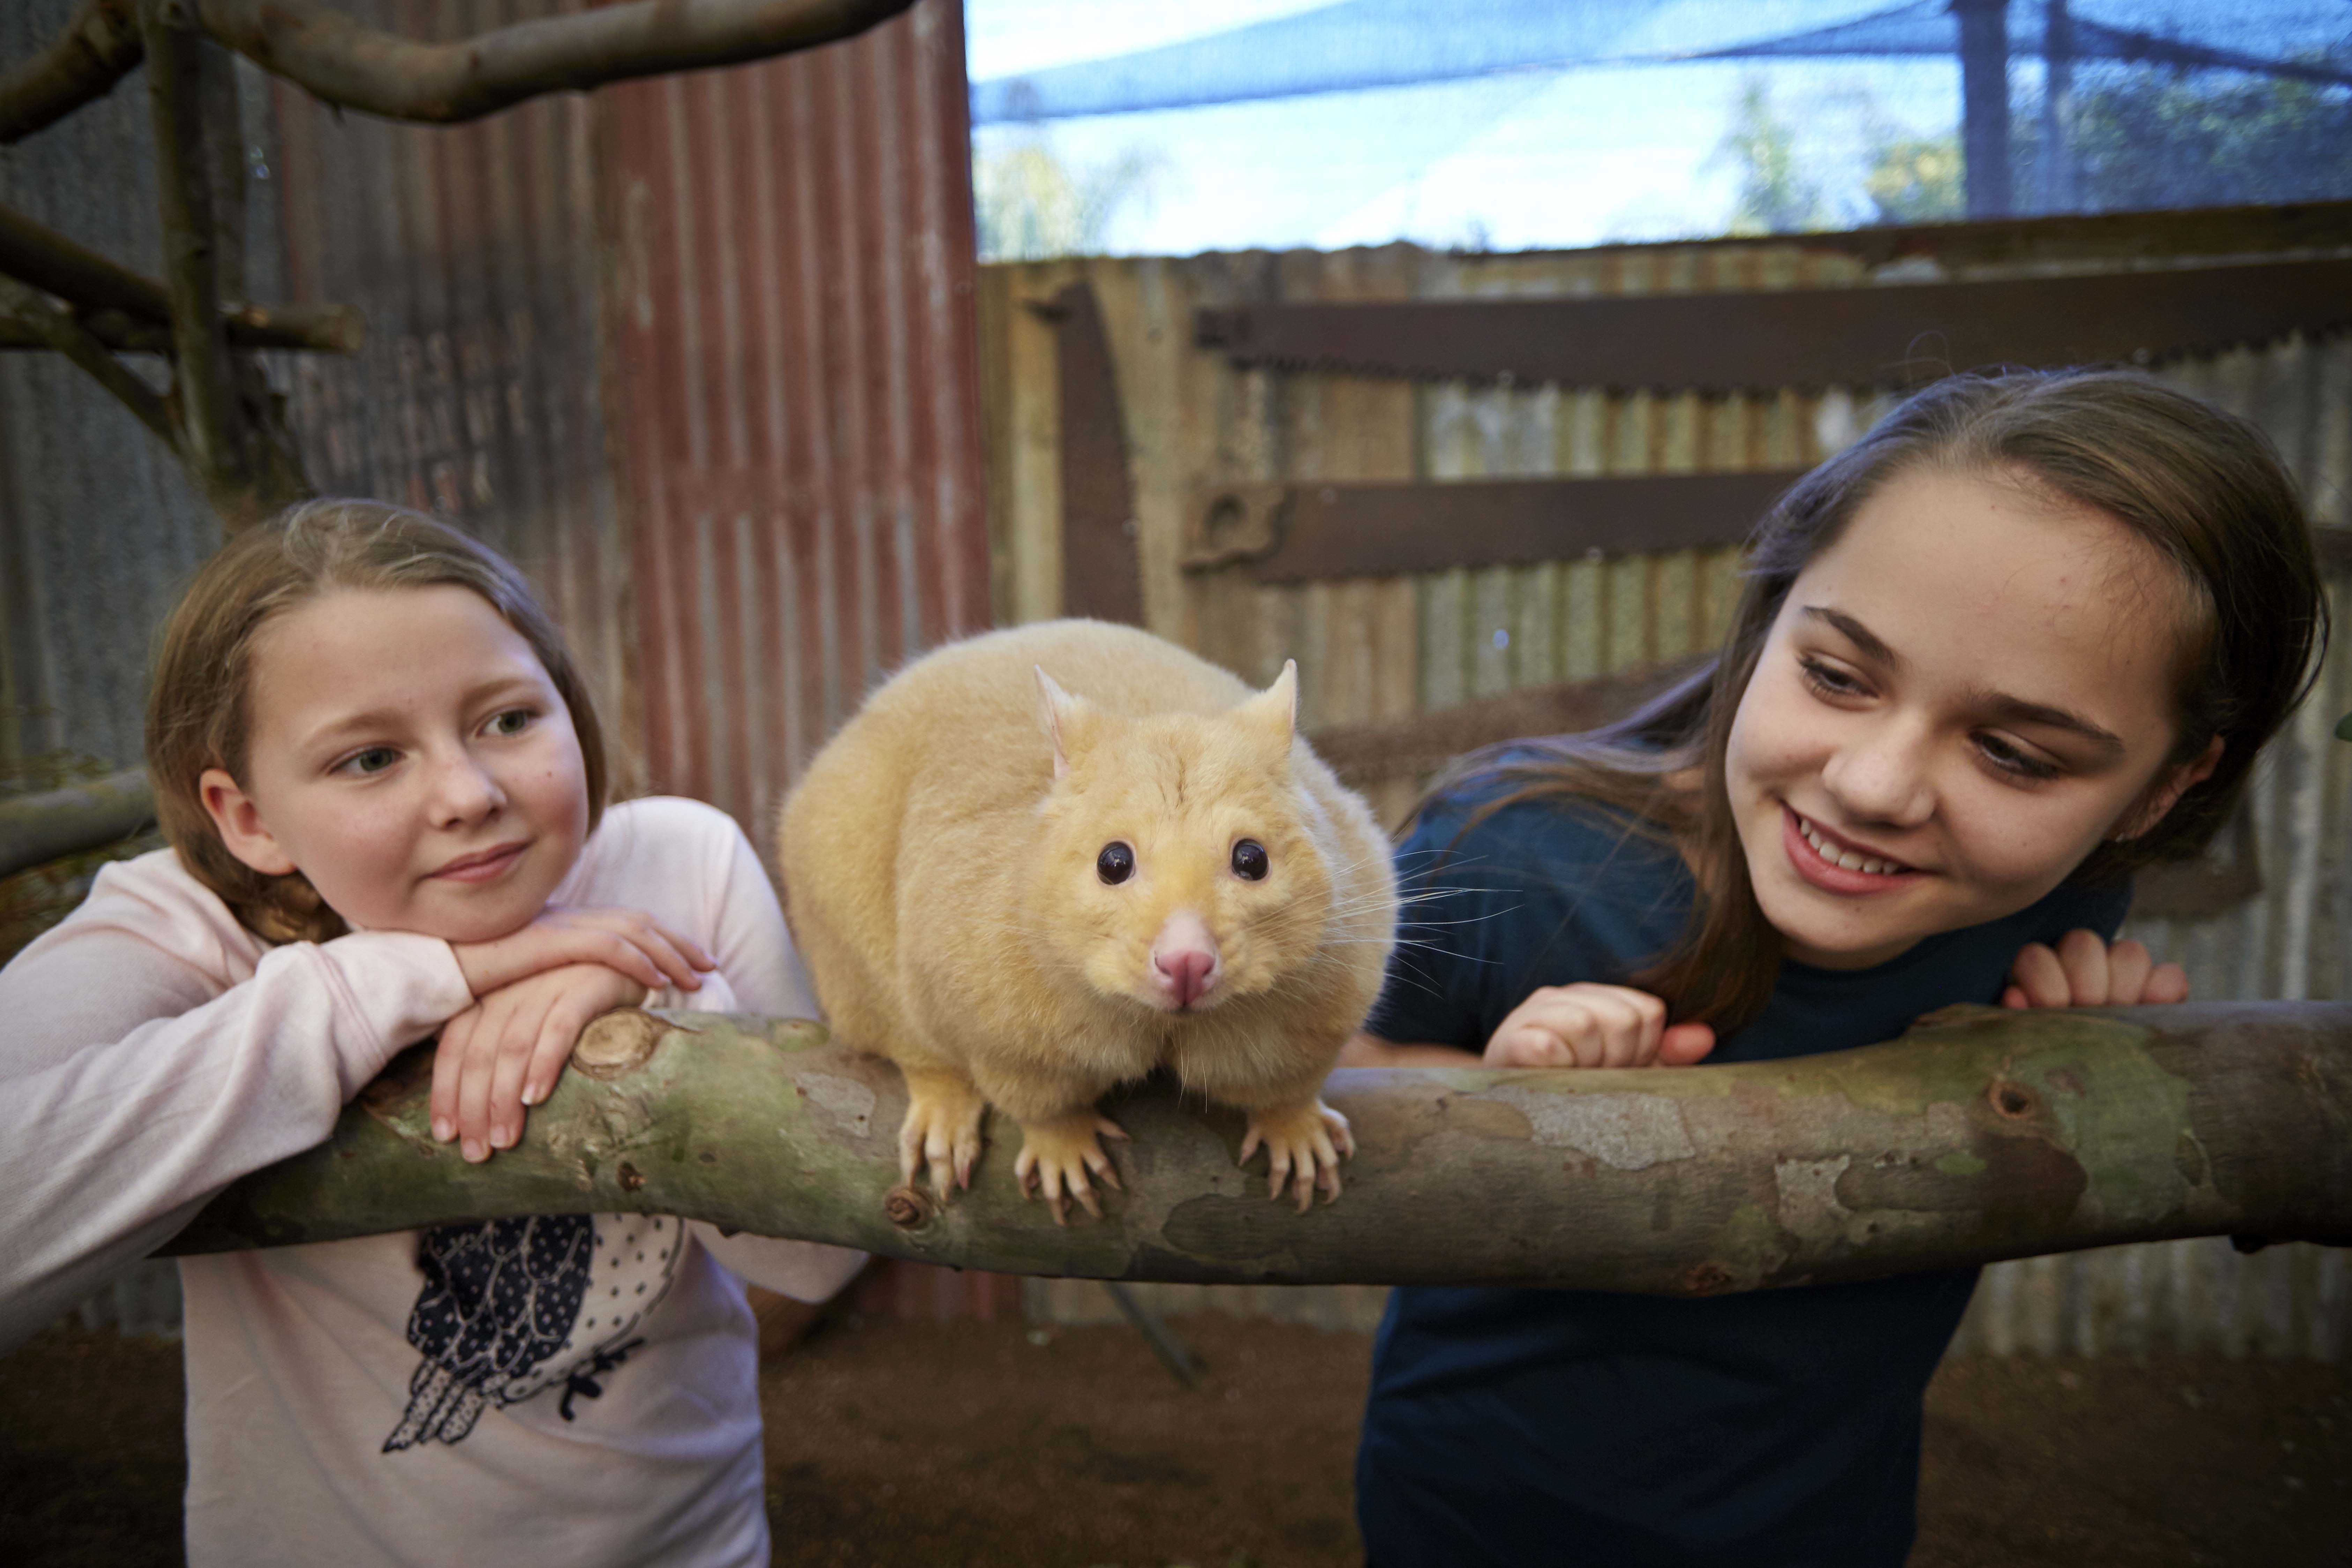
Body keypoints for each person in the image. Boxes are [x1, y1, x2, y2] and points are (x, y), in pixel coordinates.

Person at [1340, 369, 2328, 1567]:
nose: (1871, 786)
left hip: (1821, 1528)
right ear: (1772, 612)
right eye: (1838, 677)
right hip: (1475, 1519)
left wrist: (2083, 1064)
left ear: (2160, 789)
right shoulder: (1506, 855)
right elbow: (1330, 1065)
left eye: (2013, 754)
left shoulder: (2050, 905)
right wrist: (1490, 1096)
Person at [0, 499, 865, 1567]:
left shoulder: (679, 865)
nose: (469, 793)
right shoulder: (184, 930)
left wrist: (661, 1011)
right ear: (249, 819)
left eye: (508, 719)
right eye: (368, 759)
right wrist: (393, 985)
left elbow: (817, 1260)